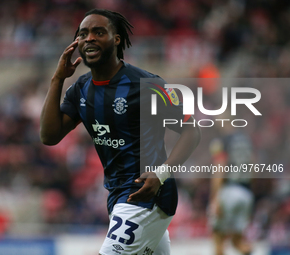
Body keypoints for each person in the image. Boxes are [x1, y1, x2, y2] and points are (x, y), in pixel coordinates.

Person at [40, 9, 201, 255]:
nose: (89, 38)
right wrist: (57, 79)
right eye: (83, 34)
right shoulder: (80, 89)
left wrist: (161, 174)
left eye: (98, 32)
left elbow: (192, 132)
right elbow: (49, 137)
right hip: (117, 194)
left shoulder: (149, 85)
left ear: (116, 39)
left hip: (146, 194)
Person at [209, 123, 254, 255]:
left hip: (229, 191)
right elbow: (253, 166)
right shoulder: (246, 141)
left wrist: (215, 198)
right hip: (246, 192)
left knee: (218, 239)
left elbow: (219, 168)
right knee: (238, 242)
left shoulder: (222, 141)